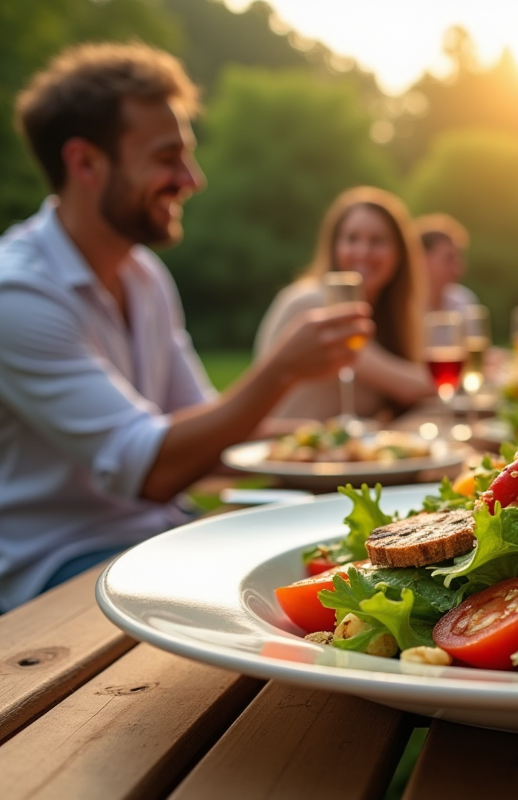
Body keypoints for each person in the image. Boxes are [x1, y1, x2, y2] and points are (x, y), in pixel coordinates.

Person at [0, 43, 373, 611]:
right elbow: (150, 466)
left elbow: (208, 432)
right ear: (85, 163)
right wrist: (279, 370)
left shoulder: (144, 275)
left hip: (155, 533)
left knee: (344, 557)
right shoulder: (17, 292)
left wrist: (353, 451)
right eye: (167, 156)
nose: (191, 178)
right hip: (58, 567)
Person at [255, 187, 435, 421]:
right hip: (285, 452)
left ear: (400, 253)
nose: (363, 251)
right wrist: (472, 376)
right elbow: (409, 386)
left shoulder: (385, 317)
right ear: (334, 246)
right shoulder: (314, 304)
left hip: (341, 453)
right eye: (352, 239)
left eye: (377, 241)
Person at [415, 212, 478, 315]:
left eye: (458, 259)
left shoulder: (463, 300)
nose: (457, 269)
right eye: (449, 259)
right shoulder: (400, 305)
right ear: (422, 259)